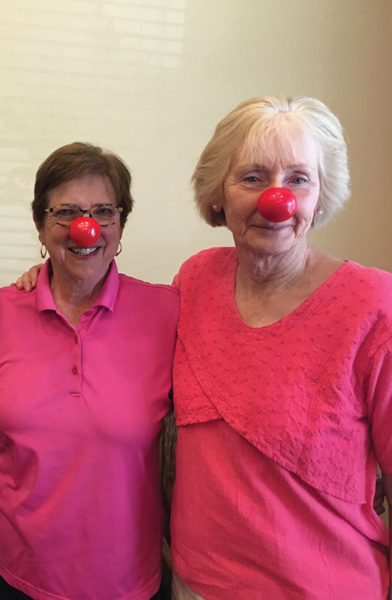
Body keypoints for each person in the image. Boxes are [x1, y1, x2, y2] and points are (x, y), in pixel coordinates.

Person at [170, 96, 392, 599]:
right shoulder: (195, 280)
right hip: (197, 583)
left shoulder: (373, 304)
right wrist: (57, 279)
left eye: (298, 179)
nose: (277, 199)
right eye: (252, 178)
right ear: (217, 195)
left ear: (320, 197)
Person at [0, 142, 178, 599]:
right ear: (40, 226)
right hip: (11, 568)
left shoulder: (167, 312)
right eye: (66, 213)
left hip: (123, 576)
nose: (86, 228)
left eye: (104, 211)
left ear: (121, 223)